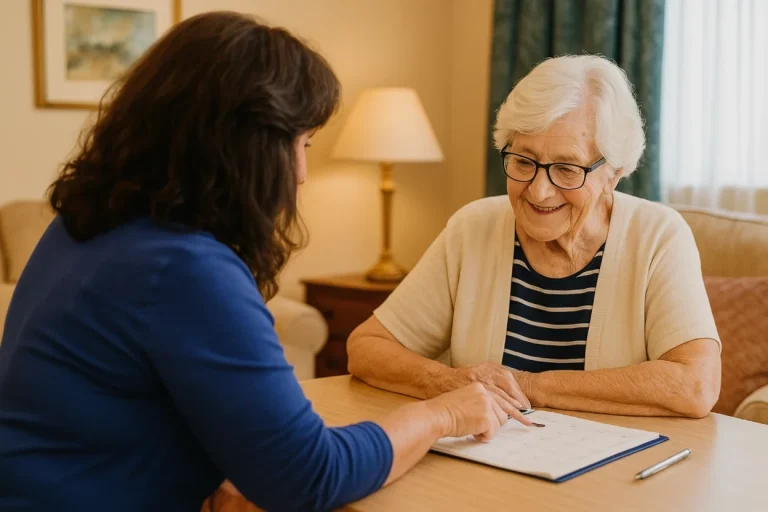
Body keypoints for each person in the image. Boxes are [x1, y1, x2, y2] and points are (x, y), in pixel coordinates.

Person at [0, 12, 531, 512]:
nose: (301, 173)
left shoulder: (85, 224)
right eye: (300, 143)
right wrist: (441, 413)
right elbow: (310, 476)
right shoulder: (184, 267)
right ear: (242, 148)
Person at [347, 55, 722, 420]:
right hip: (483, 466)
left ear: (615, 171)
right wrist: (447, 381)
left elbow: (694, 384)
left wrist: (528, 386)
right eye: (524, 162)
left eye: (566, 168)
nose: (539, 191)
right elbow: (367, 348)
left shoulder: (657, 236)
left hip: (615, 473)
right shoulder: (473, 228)